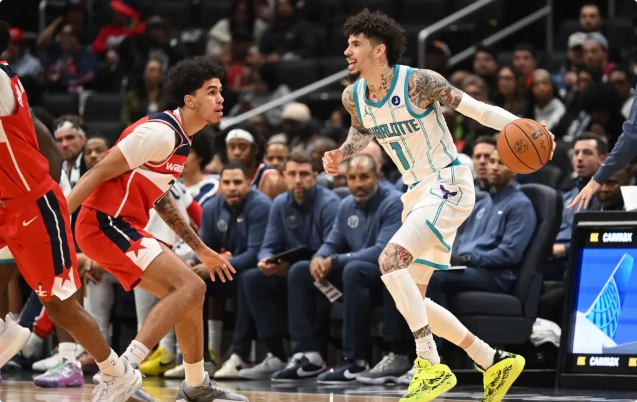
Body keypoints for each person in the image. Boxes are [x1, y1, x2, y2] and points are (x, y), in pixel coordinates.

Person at [322, 9, 555, 402]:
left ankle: (429, 364)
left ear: (379, 51)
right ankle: (491, 359)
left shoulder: (419, 83)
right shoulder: (353, 96)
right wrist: (341, 153)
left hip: (448, 182)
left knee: (389, 262)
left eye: (355, 44)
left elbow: (479, 110)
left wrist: (525, 125)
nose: (347, 51)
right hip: (416, 193)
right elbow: (361, 132)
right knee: (413, 298)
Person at [67, 56, 248, 402]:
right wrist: (58, 220)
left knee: (189, 294)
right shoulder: (159, 133)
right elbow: (97, 172)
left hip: (121, 225)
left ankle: (195, 385)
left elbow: (160, 198)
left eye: (220, 91)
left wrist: (200, 249)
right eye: (212, 92)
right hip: (105, 223)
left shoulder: (182, 138)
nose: (221, 98)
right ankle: (123, 370)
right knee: (191, 286)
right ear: (190, 100)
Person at [0, 20, 152, 401]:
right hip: (8, 204)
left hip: (33, 205)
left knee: (60, 307)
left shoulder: (0, 78)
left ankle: (116, 371)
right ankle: (6, 333)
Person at [569, 85, 637, 211]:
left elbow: (632, 135)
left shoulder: (620, 125)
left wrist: (597, 179)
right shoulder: (587, 125)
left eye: (600, 112)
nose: (596, 116)